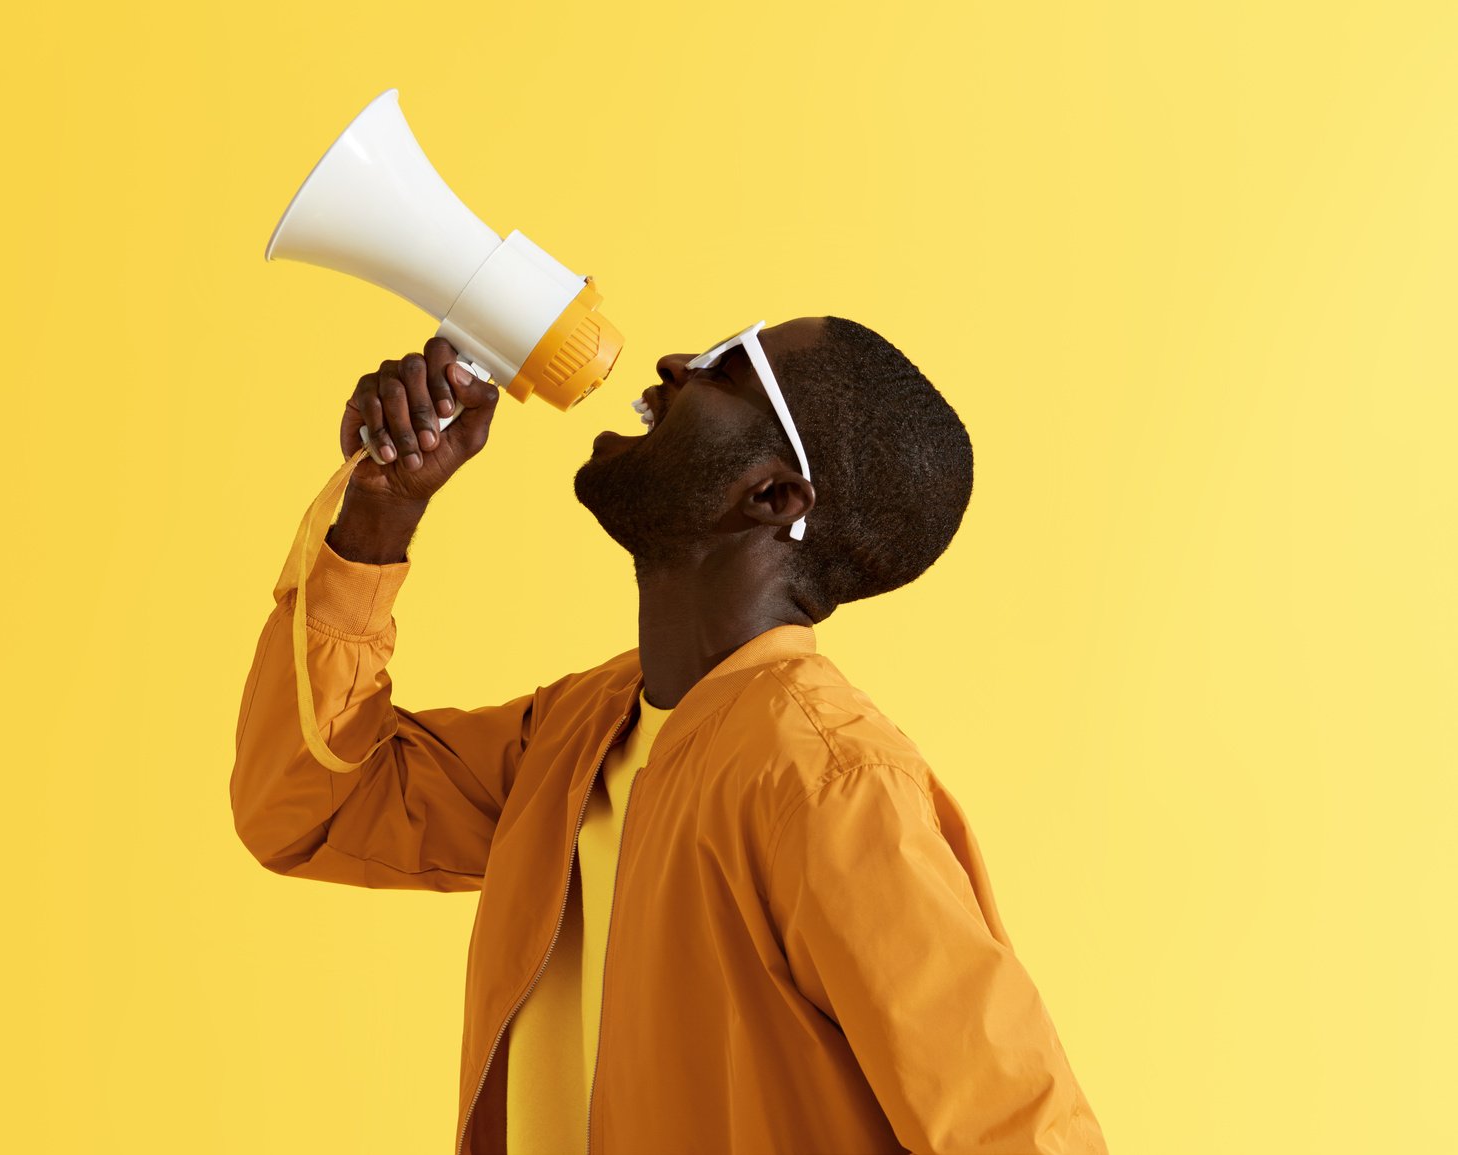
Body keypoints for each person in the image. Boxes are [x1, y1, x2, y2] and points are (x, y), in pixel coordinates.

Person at [229, 317, 1108, 1154]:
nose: (676, 363)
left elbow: (1017, 1132)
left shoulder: (825, 781)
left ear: (771, 493)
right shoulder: (580, 736)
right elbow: (311, 803)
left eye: (728, 367)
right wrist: (380, 512)